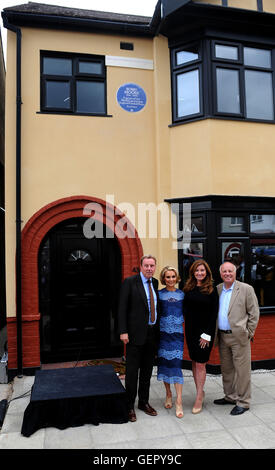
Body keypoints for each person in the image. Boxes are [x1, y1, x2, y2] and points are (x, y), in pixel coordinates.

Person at [214, 261, 260, 415]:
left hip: (239, 337)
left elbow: (254, 313)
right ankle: (230, 396)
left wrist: (249, 333)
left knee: (242, 371)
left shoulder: (246, 289)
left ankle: (244, 402)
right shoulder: (218, 289)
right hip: (222, 336)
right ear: (221, 274)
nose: (227, 274)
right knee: (227, 370)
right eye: (224, 271)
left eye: (230, 271)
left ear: (235, 272)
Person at [118, 255, 160, 423]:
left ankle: (144, 402)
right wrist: (123, 331)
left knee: (147, 371)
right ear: (141, 266)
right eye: (146, 265)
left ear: (155, 267)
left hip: (152, 334)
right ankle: (129, 406)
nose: (149, 268)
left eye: (152, 265)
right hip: (134, 335)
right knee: (132, 373)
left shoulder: (155, 283)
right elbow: (122, 308)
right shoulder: (130, 282)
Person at [183, 259, 219, 414]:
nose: (199, 273)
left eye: (202, 270)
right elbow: (185, 309)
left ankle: (199, 396)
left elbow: (213, 314)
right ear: (193, 272)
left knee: (201, 363)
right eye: (197, 270)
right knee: (194, 360)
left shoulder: (211, 290)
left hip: (205, 333)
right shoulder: (188, 288)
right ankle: (200, 391)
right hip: (190, 331)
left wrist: (207, 335)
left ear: (207, 272)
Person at [157, 266, 185, 418]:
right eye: (167, 277)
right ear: (163, 278)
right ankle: (168, 394)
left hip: (177, 336)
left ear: (177, 278)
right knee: (165, 364)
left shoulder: (182, 294)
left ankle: (179, 400)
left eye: (173, 276)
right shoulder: (159, 294)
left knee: (176, 365)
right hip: (162, 335)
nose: (171, 279)